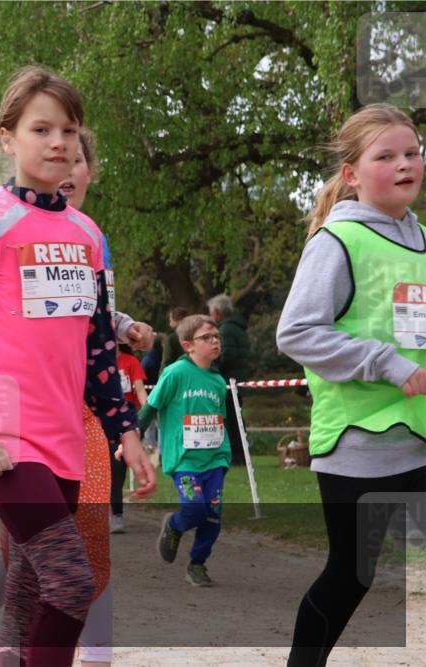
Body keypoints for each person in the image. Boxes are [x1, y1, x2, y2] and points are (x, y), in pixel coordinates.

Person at [0, 67, 155, 666]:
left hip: (67, 438)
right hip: (2, 434)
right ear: (7, 138)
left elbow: (98, 348)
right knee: (73, 581)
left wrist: (124, 433)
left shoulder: (86, 232)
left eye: (69, 130)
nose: (59, 142)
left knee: (29, 591)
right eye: (42, 128)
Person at [276, 103, 426, 667]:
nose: (404, 164)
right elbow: (297, 332)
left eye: (412, 152)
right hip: (362, 445)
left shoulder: (423, 241)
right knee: (350, 575)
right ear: (352, 174)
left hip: (419, 434)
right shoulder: (337, 242)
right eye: (385, 156)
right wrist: (388, 364)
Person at [141, 314, 231, 587]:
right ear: (188, 344)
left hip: (215, 458)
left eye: (217, 337)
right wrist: (130, 436)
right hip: (185, 460)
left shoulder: (218, 381)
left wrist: (226, 451)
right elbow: (151, 407)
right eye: (207, 337)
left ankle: (197, 563)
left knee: (212, 515)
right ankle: (175, 526)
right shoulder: (176, 373)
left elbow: (221, 419)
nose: (215, 342)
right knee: (194, 508)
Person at [207, 293, 253, 465]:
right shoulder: (239, 328)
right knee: (237, 418)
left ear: (218, 312)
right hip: (239, 378)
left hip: (228, 381)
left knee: (231, 420)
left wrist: (212, 365)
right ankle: (240, 453)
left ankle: (235, 454)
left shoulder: (225, 330)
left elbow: (226, 355)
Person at [109, 343, 149, 534]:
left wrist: (149, 410)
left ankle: (116, 514)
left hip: (125, 422)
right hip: (101, 420)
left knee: (118, 468)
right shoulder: (94, 359)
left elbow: (140, 390)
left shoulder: (130, 361)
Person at [160, 306, 190, 372]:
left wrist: (162, 378)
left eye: (171, 320)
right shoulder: (195, 334)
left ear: (177, 320)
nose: (169, 323)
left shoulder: (171, 338)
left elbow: (167, 361)